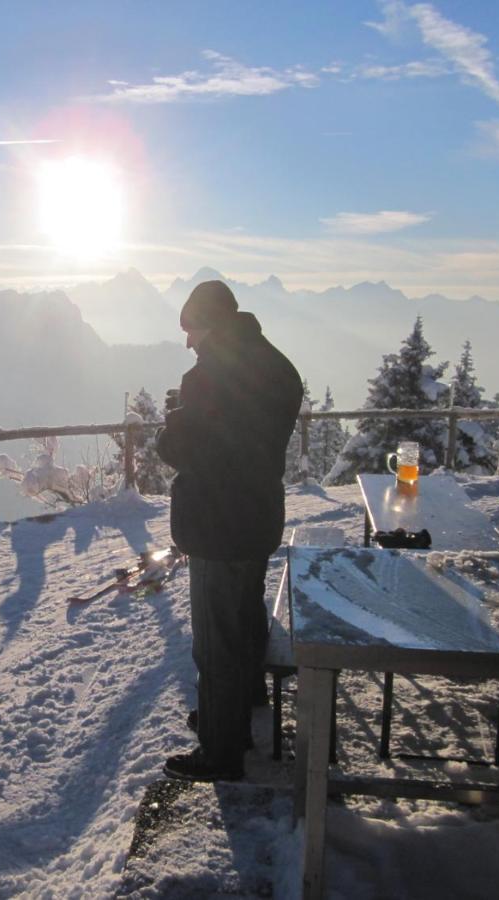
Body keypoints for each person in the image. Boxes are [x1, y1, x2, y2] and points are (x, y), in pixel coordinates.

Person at [156, 280, 303, 782]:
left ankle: (221, 750)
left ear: (210, 323)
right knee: (243, 617)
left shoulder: (207, 378)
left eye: (191, 330)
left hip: (217, 523)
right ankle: (237, 707)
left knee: (215, 637)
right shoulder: (278, 365)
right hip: (258, 514)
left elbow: (190, 452)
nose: (188, 341)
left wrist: (169, 429)